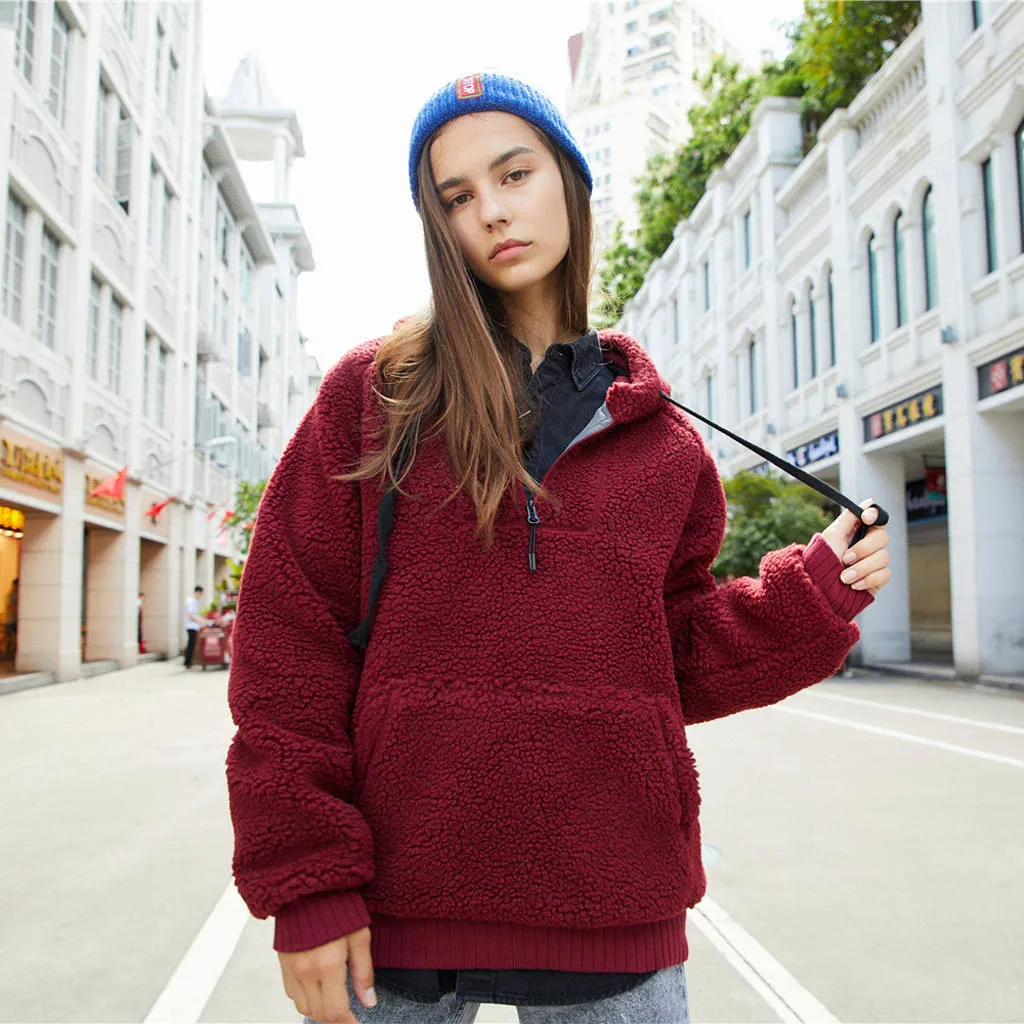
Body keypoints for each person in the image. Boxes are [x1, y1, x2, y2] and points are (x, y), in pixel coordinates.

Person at [225, 73, 893, 1024]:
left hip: (617, 906)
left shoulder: (668, 445)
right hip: (393, 917)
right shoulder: (375, 399)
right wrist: (306, 882)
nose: (492, 211)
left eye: (514, 174)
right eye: (457, 197)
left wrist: (810, 597)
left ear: (570, 184)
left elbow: (673, 657)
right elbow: (289, 645)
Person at [183, 585, 203, 670]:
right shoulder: (191, 601)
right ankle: (187, 663)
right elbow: (191, 615)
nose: (200, 596)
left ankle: (188, 662)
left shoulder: (194, 601)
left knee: (192, 644)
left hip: (193, 626)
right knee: (191, 644)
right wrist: (199, 620)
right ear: (198, 592)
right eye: (200, 594)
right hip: (191, 626)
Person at [3, 578, 18, 659]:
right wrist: (18, 610)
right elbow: (9, 606)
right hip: (10, 620)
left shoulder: (15, 594)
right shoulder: (11, 595)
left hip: (13, 619)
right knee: (8, 637)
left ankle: (10, 652)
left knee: (11, 637)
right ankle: (7, 653)